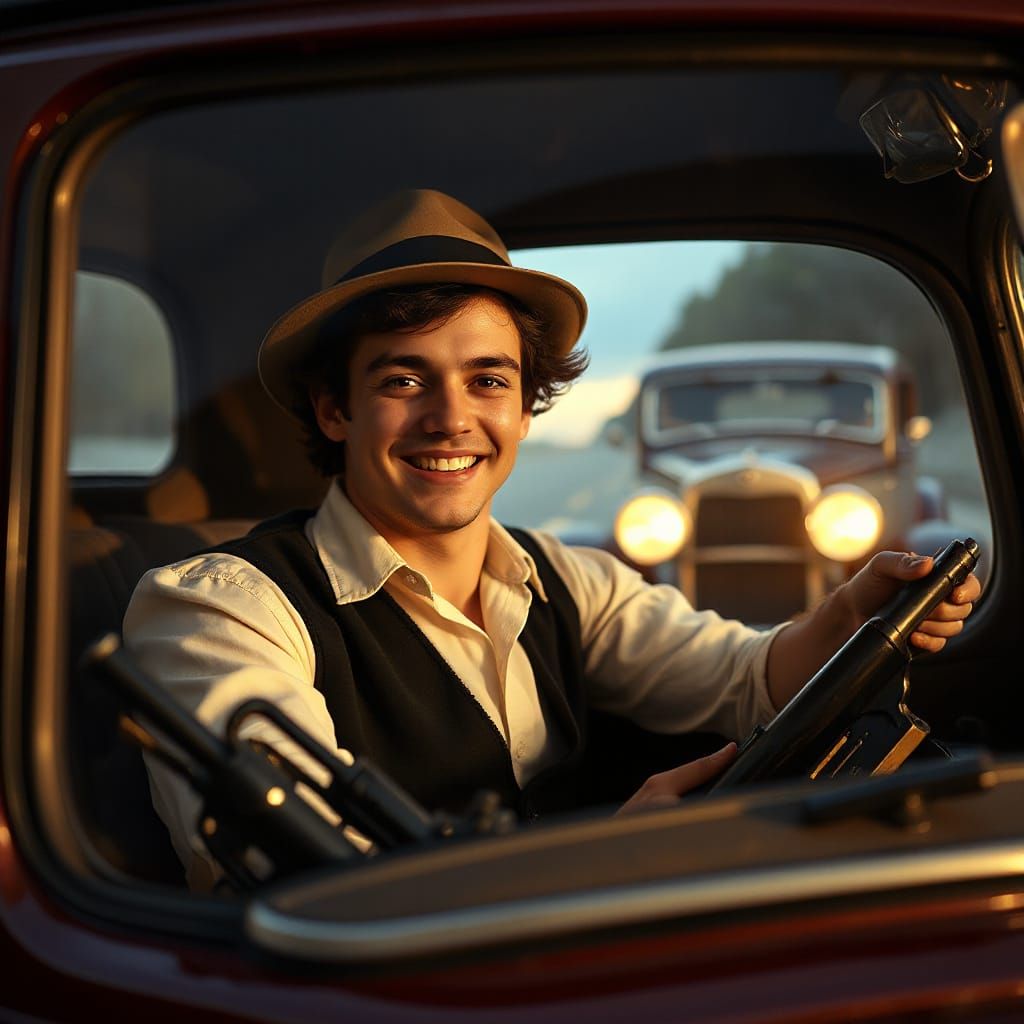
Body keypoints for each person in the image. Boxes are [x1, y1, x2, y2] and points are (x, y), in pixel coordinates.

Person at [124, 189, 981, 888]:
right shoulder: (218, 609)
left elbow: (742, 679)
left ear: (524, 409)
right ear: (335, 409)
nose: (451, 417)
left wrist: (844, 617)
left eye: (487, 379)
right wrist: (608, 856)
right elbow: (311, 861)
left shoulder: (567, 580)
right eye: (403, 378)